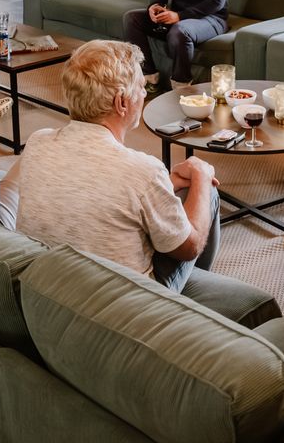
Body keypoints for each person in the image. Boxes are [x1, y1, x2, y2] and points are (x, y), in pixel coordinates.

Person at [13, 39, 219, 290]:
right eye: (141, 87)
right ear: (121, 102)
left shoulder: (37, 142)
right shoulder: (144, 170)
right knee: (205, 191)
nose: (144, 94)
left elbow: (90, 186)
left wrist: (164, 184)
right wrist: (201, 174)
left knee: (171, 198)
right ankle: (185, 305)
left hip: (47, 286)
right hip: (122, 302)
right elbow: (191, 248)